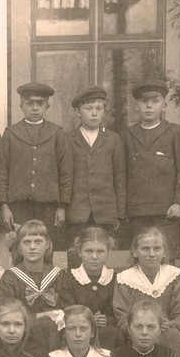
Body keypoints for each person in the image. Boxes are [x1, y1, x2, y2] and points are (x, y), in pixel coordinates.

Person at [122, 80, 180, 261]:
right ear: (136, 106)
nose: (149, 106)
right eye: (144, 101)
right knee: (140, 258)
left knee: (167, 259)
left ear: (164, 105)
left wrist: (179, 202)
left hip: (167, 210)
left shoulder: (174, 132)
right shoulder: (128, 135)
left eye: (155, 101)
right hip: (137, 211)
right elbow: (122, 174)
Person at [0, 82, 72, 238]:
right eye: (30, 104)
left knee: (46, 245)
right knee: (20, 246)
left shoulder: (56, 133)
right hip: (18, 207)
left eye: (40, 104)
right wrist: (4, 207)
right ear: (21, 105)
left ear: (47, 106)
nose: (35, 108)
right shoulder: (11, 133)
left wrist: (62, 206)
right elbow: (2, 172)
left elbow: (66, 172)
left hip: (48, 208)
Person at [65, 86, 126, 261]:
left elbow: (120, 177)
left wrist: (119, 213)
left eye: (99, 108)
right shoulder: (68, 139)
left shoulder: (113, 139)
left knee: (103, 257)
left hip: (105, 212)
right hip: (77, 211)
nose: (94, 113)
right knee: (76, 257)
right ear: (78, 112)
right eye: (88, 108)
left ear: (104, 112)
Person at [112, 227, 180, 354]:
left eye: (157, 248)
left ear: (164, 252)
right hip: (136, 335)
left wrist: (168, 325)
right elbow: (122, 317)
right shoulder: (125, 279)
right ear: (135, 252)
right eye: (145, 249)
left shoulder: (174, 275)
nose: (151, 254)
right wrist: (139, 329)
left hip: (167, 331)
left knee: (173, 335)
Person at [0, 219, 62, 355]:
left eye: (38, 242)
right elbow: (7, 312)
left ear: (47, 244)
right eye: (27, 242)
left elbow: (65, 310)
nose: (32, 247)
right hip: (22, 335)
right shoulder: (10, 277)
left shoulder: (58, 275)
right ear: (20, 246)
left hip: (55, 334)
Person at [57, 225, 120, 349]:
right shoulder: (69, 279)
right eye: (88, 251)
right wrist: (88, 320)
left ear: (108, 252)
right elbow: (67, 310)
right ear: (79, 252)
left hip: (107, 333)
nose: (94, 256)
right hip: (78, 332)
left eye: (100, 251)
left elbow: (116, 311)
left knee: (115, 333)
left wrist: (107, 319)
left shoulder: (115, 278)